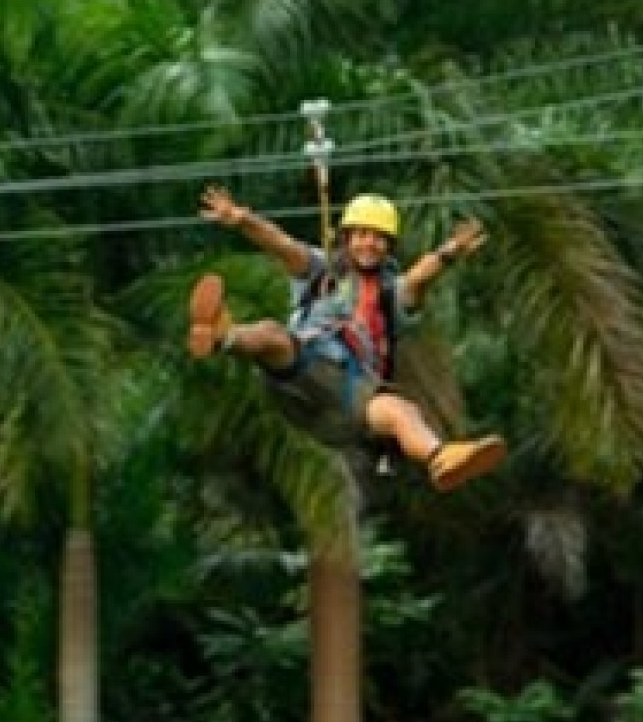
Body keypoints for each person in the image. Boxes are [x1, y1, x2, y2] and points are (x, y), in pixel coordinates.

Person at [186, 185, 506, 492]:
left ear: (389, 247)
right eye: (362, 235)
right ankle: (221, 336)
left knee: (400, 410)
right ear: (347, 237)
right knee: (274, 336)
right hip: (308, 369)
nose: (370, 244)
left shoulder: (389, 294)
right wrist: (242, 219)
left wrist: (448, 252)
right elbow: (282, 245)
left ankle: (441, 458)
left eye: (379, 239)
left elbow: (419, 278)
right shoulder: (319, 270)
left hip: (351, 396)